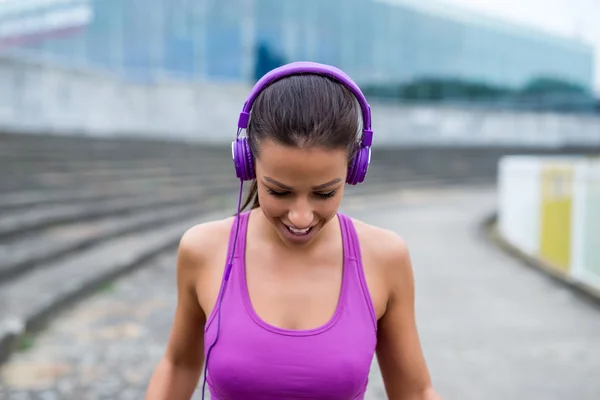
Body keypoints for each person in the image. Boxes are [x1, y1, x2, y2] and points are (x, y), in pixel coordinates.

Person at [145, 62, 442, 400]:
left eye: (325, 193)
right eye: (279, 192)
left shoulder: (384, 257)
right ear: (247, 164)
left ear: (355, 170)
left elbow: (415, 392)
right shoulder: (203, 250)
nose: (301, 218)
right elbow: (178, 365)